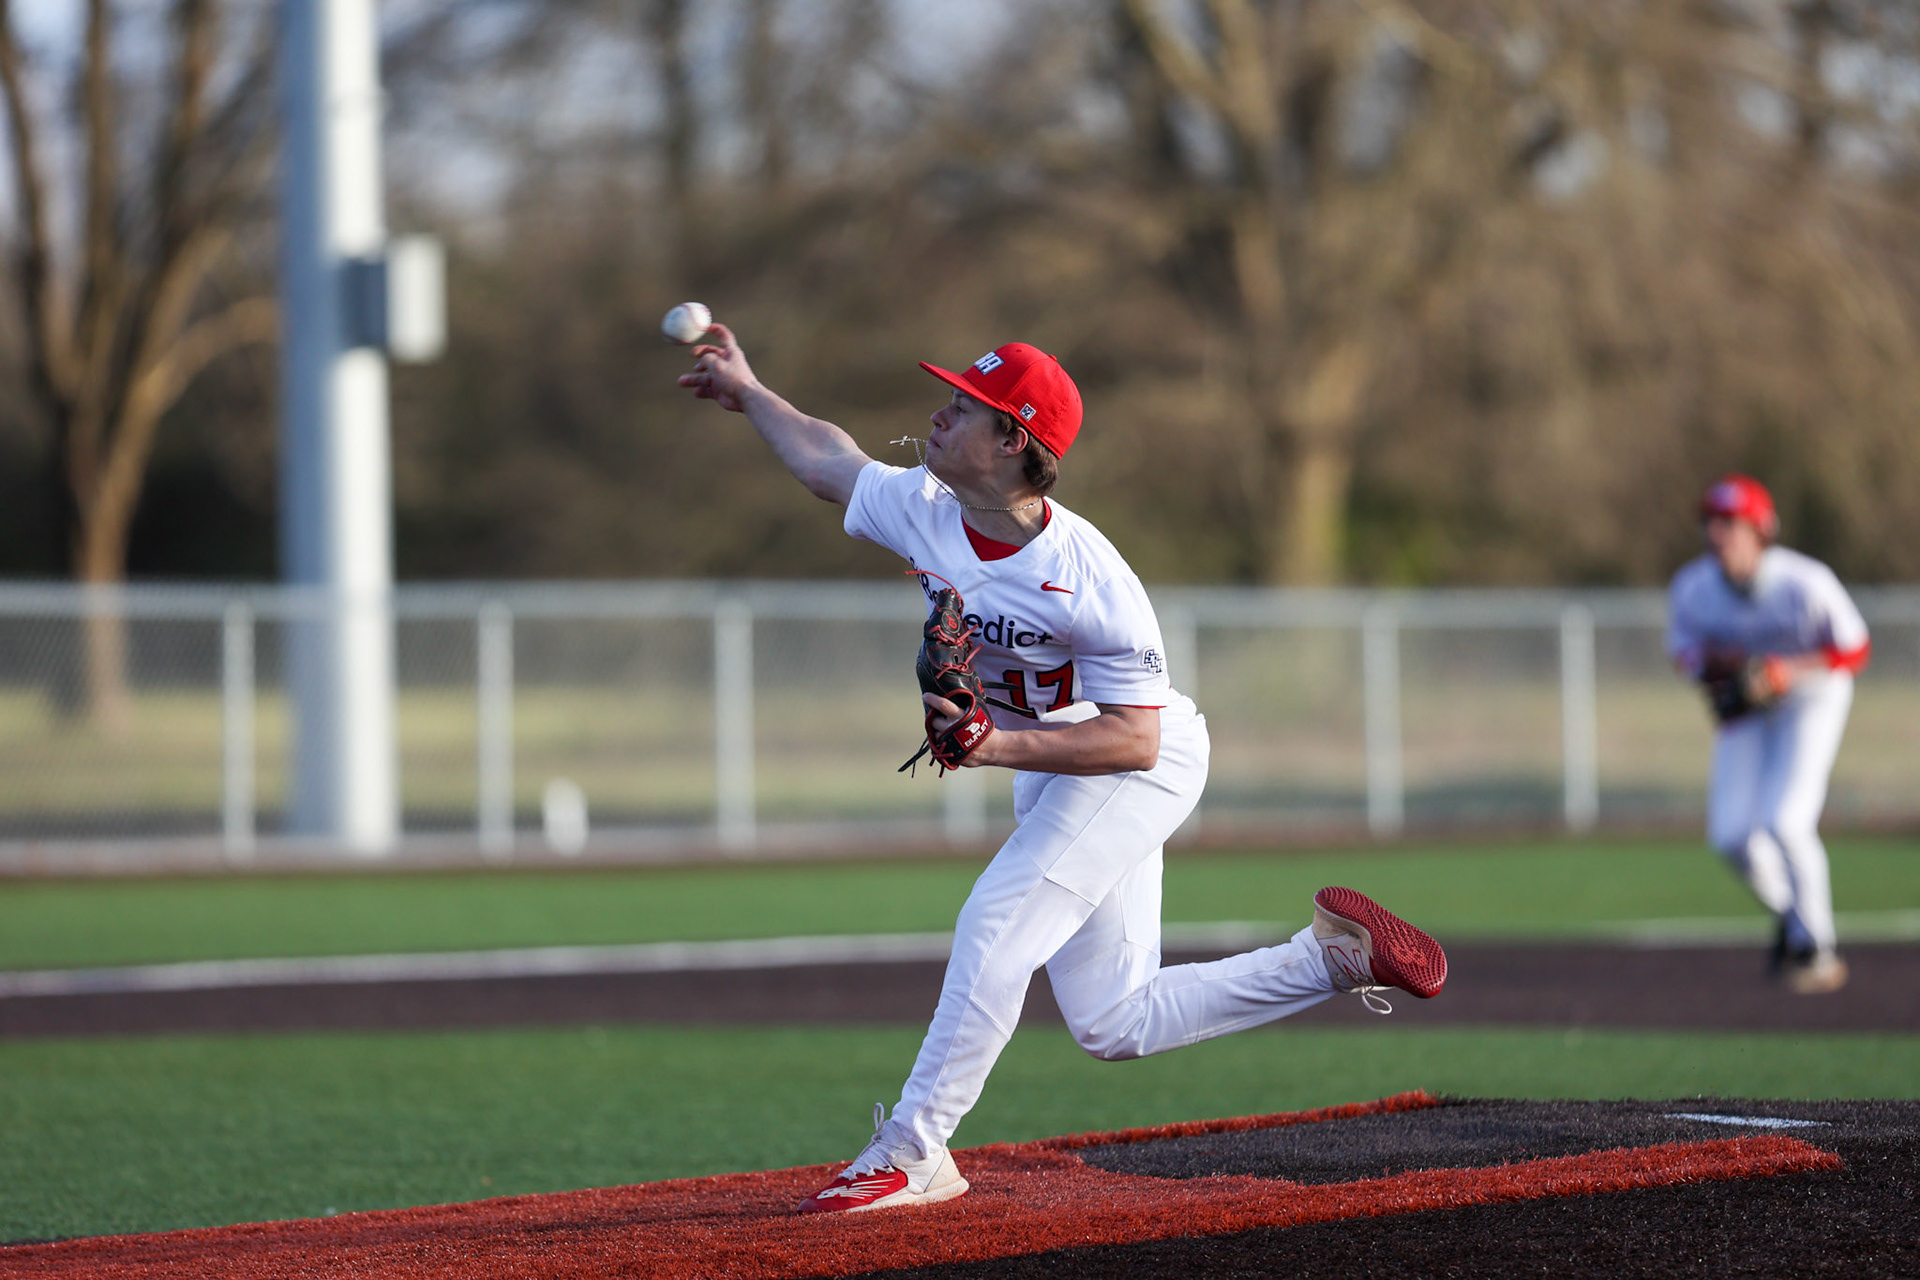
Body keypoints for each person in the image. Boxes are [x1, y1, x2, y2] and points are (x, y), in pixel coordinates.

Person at [675, 325, 1447, 1214]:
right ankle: (1334, 962)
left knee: (994, 928)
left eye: (965, 405)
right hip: (1056, 764)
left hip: (1130, 761)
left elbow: (1136, 741)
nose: (938, 411)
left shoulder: (1091, 578)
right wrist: (748, 388)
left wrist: (995, 744)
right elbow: (827, 459)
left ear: (1013, 442)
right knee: (1115, 1021)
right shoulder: (926, 505)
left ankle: (913, 1151)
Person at [1666, 475, 1869, 995]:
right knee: (1731, 836)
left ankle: (1816, 948)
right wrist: (1725, 666)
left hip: (1812, 698)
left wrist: (1786, 672)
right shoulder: (1694, 587)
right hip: (1748, 707)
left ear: (1760, 530)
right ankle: (1792, 916)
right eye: (1712, 522)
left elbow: (1853, 649)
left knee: (1786, 820)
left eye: (1730, 523)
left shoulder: (1804, 582)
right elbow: (1684, 653)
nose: (1718, 534)